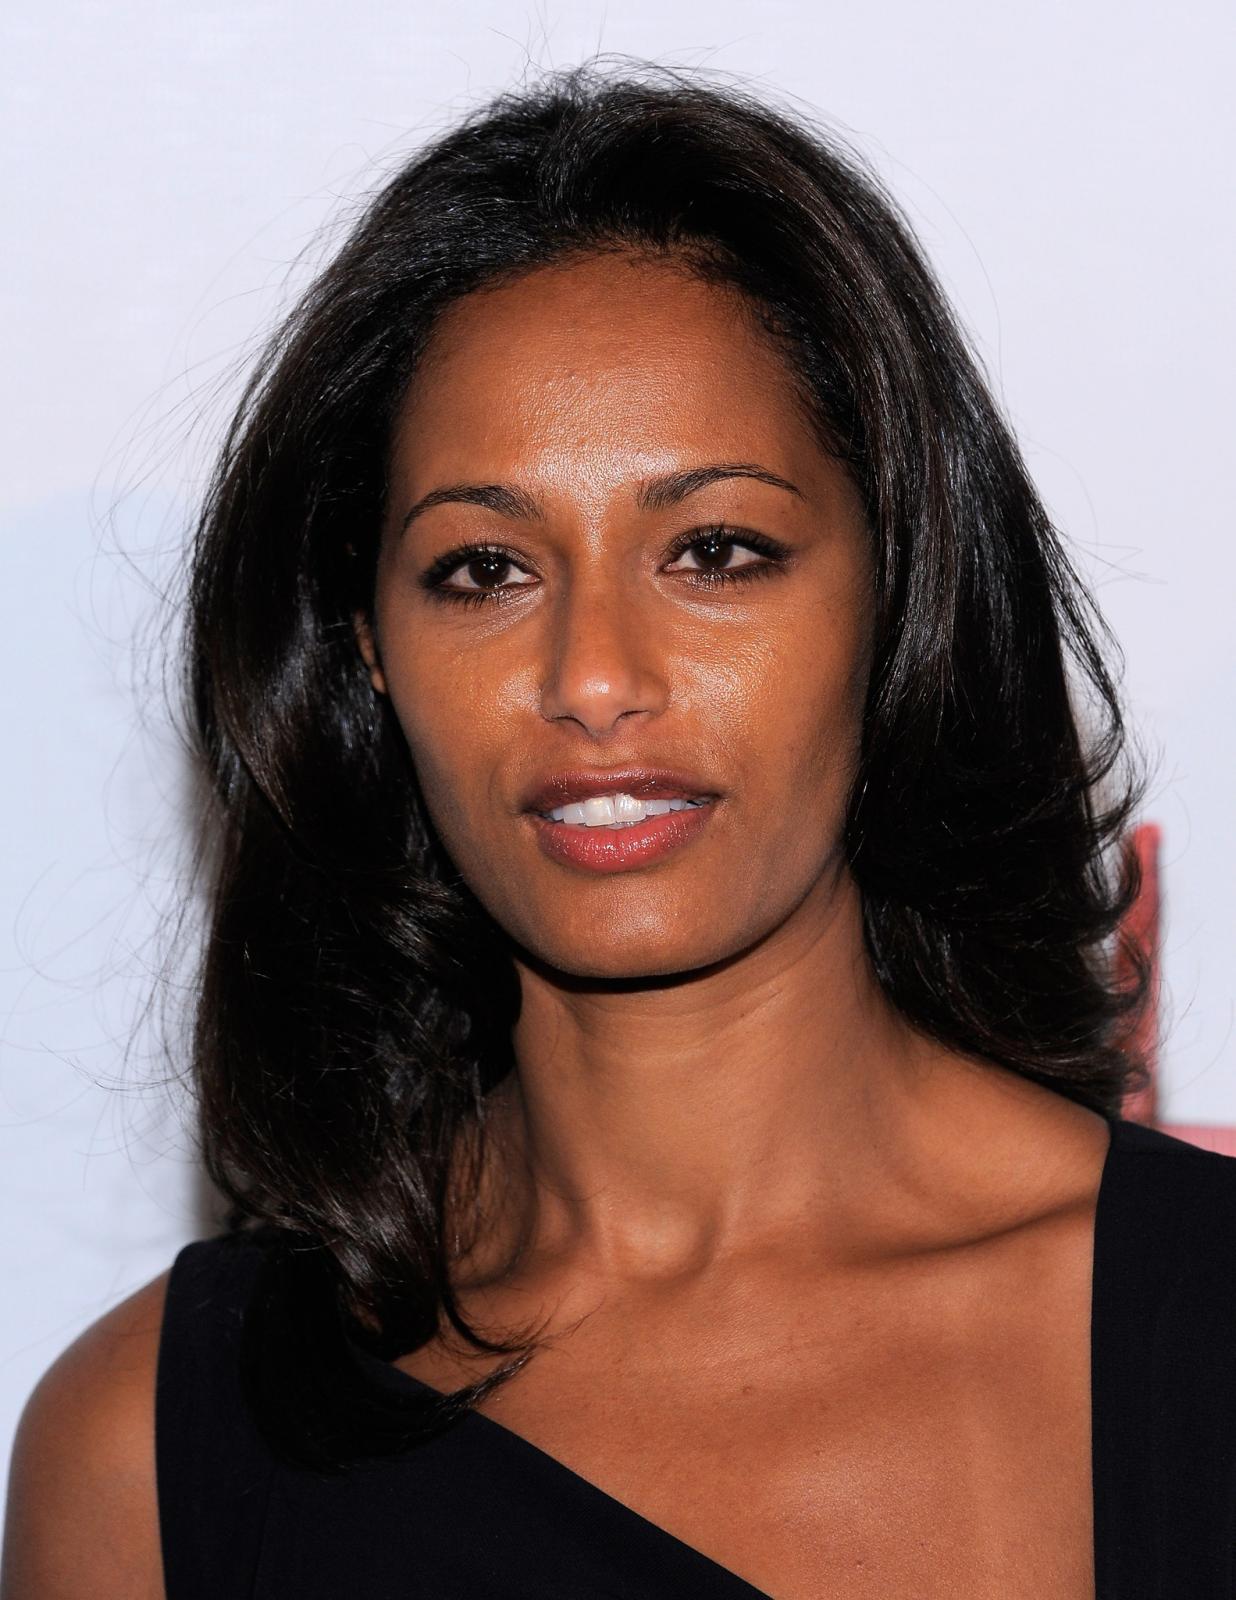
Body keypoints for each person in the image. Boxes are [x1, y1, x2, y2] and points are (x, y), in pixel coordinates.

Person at [3, 57, 1233, 1600]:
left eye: (715, 550)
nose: (591, 679)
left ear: (901, 591)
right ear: (367, 648)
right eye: (482, 569)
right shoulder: (147, 1464)